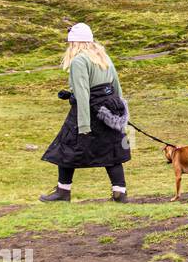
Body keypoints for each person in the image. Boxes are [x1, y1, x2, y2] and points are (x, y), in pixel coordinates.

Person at [39, 22, 132, 202]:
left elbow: (83, 94)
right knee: (112, 150)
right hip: (108, 110)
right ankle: (119, 191)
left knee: (66, 147)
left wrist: (83, 126)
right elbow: (116, 86)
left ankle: (63, 191)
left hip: (88, 111)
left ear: (75, 43)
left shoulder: (79, 61)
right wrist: (119, 112)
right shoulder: (103, 57)